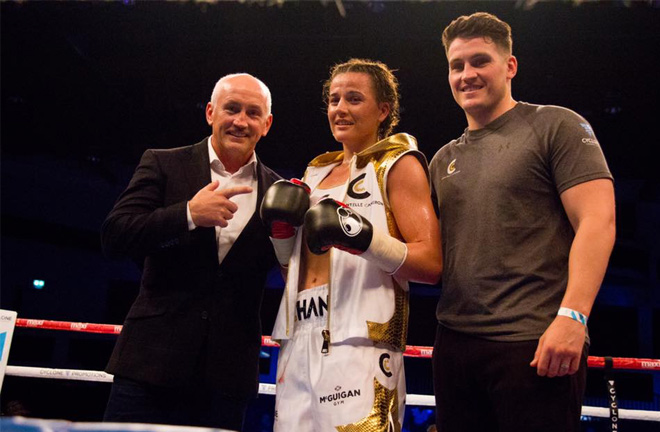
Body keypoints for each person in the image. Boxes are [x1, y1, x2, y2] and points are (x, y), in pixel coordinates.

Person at [429, 12, 616, 432]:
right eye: (456, 66)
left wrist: (574, 317)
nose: (467, 74)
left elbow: (598, 221)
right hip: (454, 342)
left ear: (510, 66)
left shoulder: (556, 125)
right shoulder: (443, 159)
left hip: (535, 342)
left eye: (480, 61)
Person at [262, 58, 442, 432]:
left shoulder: (398, 164)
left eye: (354, 99)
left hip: (360, 343)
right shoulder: (314, 174)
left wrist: (362, 239)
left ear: (383, 110)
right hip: (297, 336)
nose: (340, 108)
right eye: (334, 99)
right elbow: (293, 272)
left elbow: (431, 263)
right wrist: (282, 239)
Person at [101, 73, 281, 430]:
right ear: (211, 112)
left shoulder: (280, 192)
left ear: (267, 124)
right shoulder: (165, 163)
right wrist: (187, 215)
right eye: (231, 109)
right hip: (149, 367)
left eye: (252, 112)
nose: (240, 121)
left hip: (227, 379)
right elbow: (115, 235)